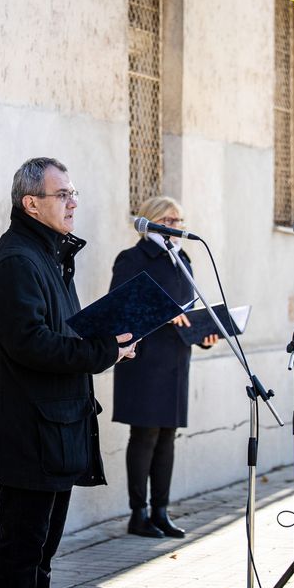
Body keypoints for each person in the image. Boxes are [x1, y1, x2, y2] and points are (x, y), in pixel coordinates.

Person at [0, 157, 137, 588]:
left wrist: (107, 340)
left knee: (41, 557)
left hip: (54, 432)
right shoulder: (17, 261)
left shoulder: (48, 256)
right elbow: (31, 344)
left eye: (73, 193)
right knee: (22, 558)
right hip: (28, 438)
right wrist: (101, 351)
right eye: (63, 195)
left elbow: (62, 333)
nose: (73, 203)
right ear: (32, 204)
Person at [109, 196, 218, 538]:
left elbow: (187, 311)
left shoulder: (182, 258)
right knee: (145, 435)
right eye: (169, 220)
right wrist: (164, 312)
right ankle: (137, 514)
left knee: (167, 436)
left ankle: (161, 510)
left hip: (175, 360)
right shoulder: (132, 258)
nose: (176, 226)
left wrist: (203, 335)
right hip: (143, 361)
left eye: (179, 221)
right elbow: (119, 308)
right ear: (152, 220)